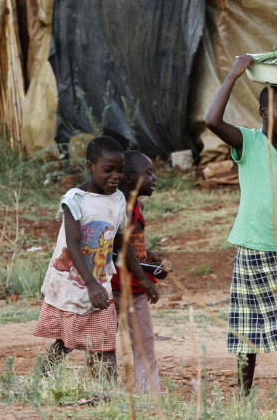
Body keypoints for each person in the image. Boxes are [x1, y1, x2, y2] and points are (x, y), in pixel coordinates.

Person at [205, 53, 277, 401]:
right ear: (263, 113)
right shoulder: (249, 142)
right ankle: (242, 399)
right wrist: (233, 75)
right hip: (251, 249)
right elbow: (212, 121)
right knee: (247, 330)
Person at [33, 136, 158, 378]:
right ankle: (41, 375)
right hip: (71, 282)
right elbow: (73, 244)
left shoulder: (118, 200)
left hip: (100, 282)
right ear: (90, 167)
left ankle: (105, 393)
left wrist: (142, 278)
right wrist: (89, 283)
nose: (115, 177)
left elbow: (122, 242)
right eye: (108, 170)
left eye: (120, 171)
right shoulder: (75, 199)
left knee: (104, 342)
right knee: (68, 338)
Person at [111, 150, 165, 397]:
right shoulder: (116, 209)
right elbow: (118, 248)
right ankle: (100, 390)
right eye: (148, 173)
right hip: (112, 289)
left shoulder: (138, 206)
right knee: (102, 345)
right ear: (129, 178)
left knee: (145, 344)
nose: (154, 178)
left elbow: (133, 245)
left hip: (136, 290)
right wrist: (144, 277)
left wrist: (149, 258)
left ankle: (150, 397)